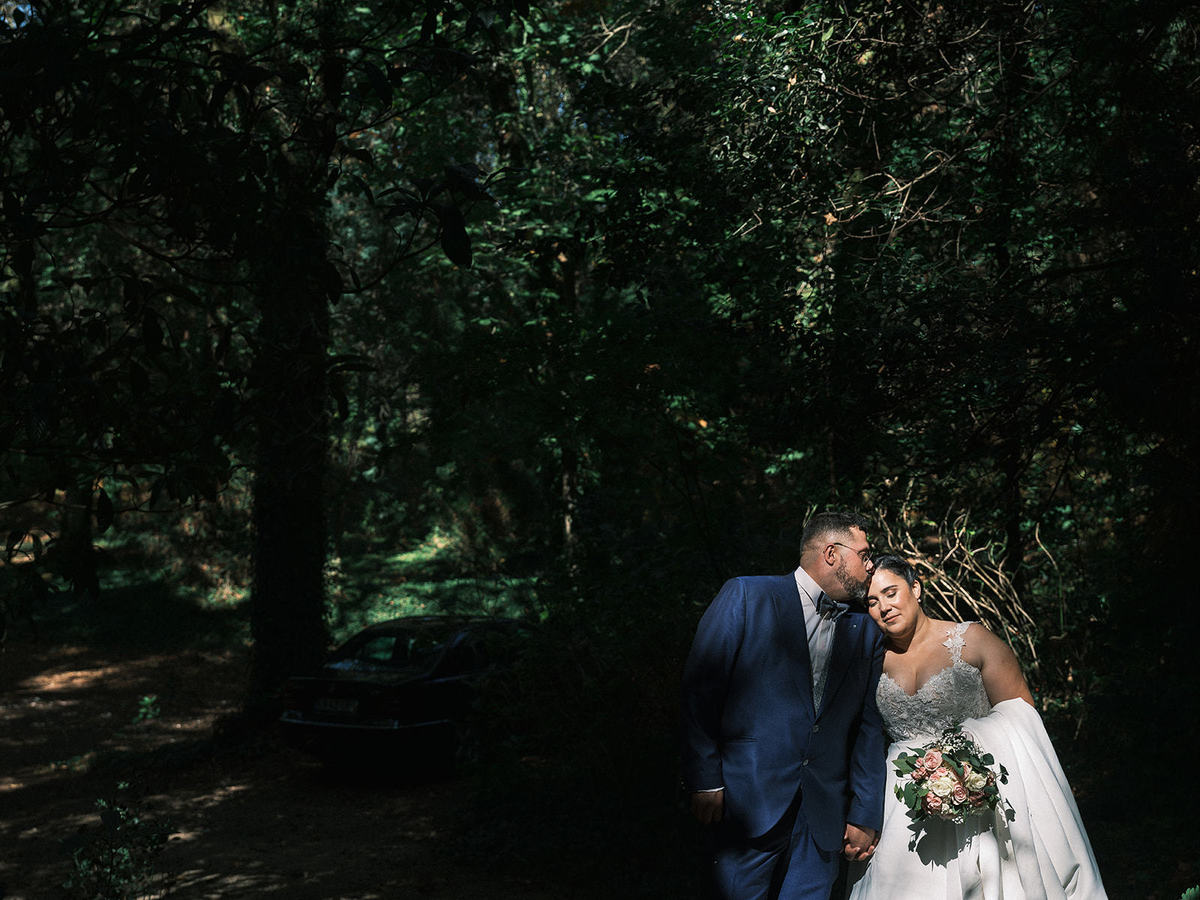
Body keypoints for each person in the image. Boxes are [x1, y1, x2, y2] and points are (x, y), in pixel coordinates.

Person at [847, 554, 1107, 899]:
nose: (884, 607)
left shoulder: (973, 640)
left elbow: (1022, 714)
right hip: (903, 807)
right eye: (872, 602)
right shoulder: (870, 660)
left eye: (891, 593)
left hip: (980, 797)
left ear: (916, 588)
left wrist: (966, 753)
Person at [681, 510, 887, 900]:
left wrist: (865, 812)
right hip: (747, 802)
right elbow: (701, 690)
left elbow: (869, 727)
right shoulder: (747, 596)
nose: (870, 565)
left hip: (823, 814)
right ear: (831, 553)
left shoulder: (865, 631)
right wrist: (705, 778)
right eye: (863, 554)